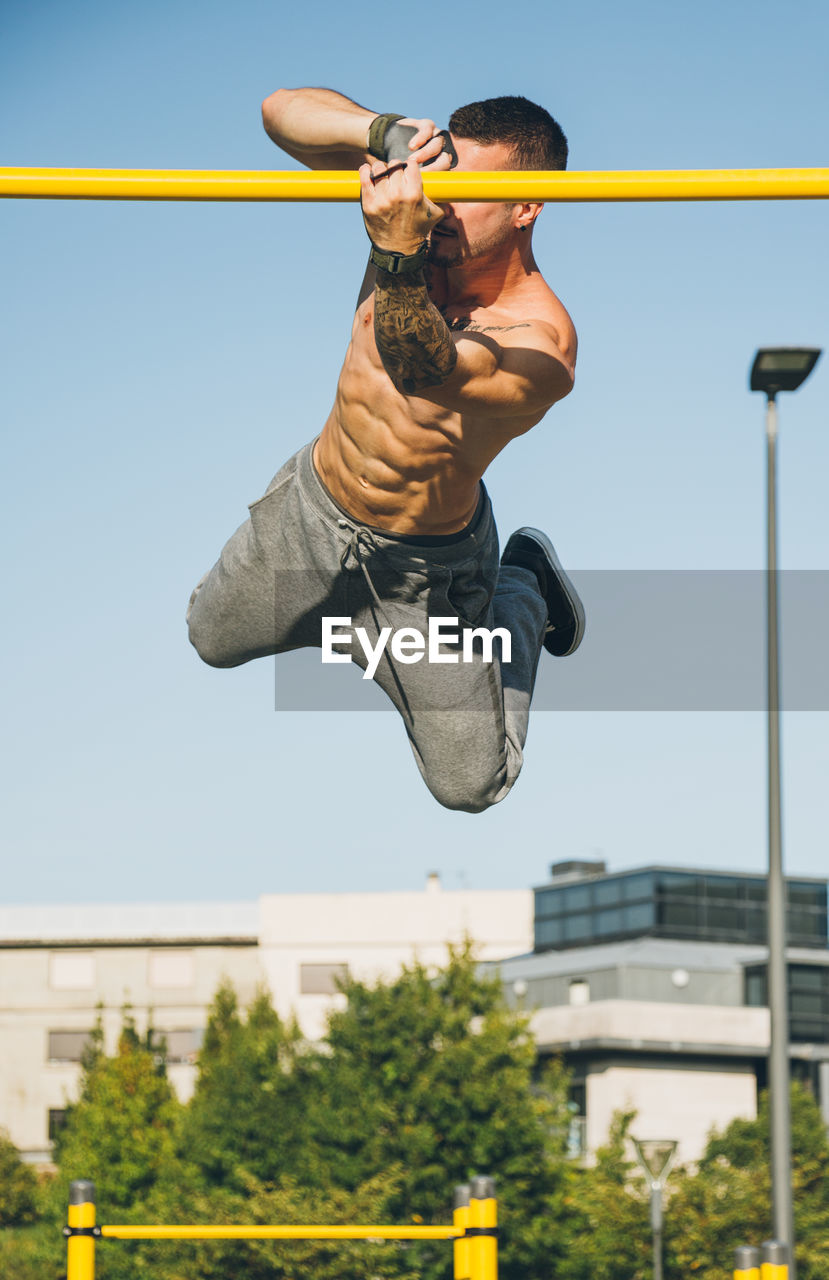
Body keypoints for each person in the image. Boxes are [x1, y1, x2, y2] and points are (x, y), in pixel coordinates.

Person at [187, 87, 584, 813]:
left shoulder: (540, 339)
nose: (438, 207)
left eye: (465, 195)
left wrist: (396, 254)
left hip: (419, 575)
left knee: (470, 785)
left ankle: (520, 586)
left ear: (527, 204)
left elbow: (422, 370)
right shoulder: (416, 214)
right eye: (439, 187)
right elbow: (278, 111)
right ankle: (335, 621)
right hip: (311, 513)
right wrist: (381, 132)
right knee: (208, 637)